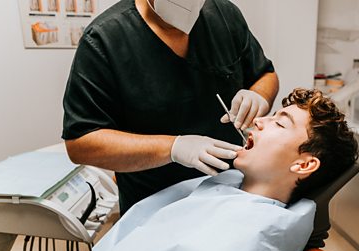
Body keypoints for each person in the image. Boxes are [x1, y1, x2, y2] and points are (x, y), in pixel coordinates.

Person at [0, 88, 358, 251]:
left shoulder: (249, 234)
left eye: (279, 122)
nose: (259, 119)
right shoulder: (228, 186)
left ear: (304, 165)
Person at [61, 0, 279, 217]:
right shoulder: (105, 39)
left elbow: (265, 74)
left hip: (228, 195)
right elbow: (81, 142)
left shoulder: (224, 15)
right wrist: (173, 148)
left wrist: (258, 96)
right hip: (154, 210)